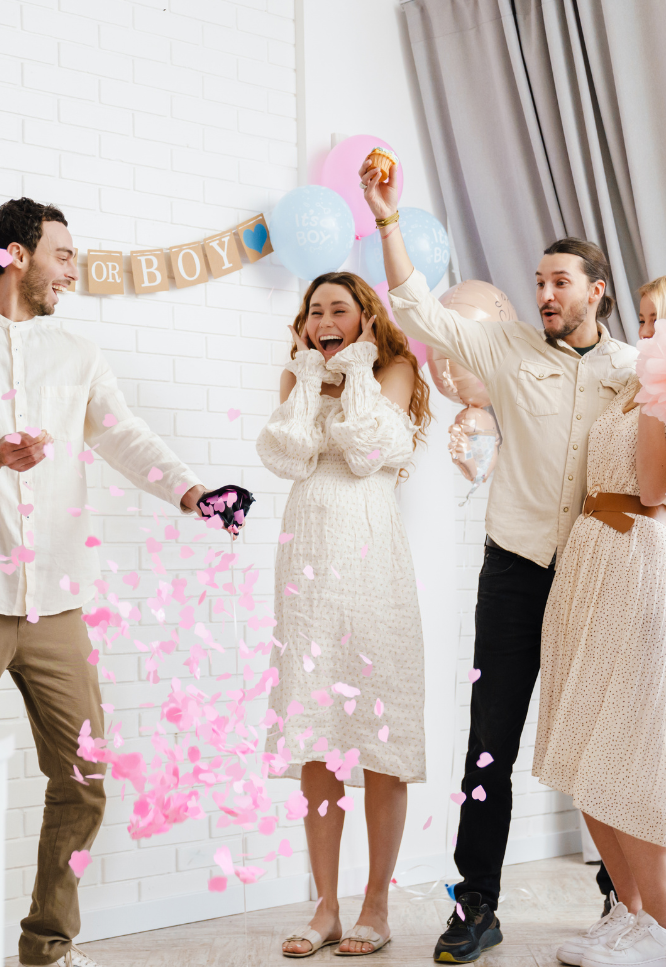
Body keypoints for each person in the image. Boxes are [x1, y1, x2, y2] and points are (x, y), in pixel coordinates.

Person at [0, 198, 227, 967]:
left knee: (85, 777)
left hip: (57, 594)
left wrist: (194, 492)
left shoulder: (77, 351)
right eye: (62, 253)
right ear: (13, 256)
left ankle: (48, 948)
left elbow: (123, 433)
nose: (73, 268)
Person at [359, 156, 641, 964]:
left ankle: (621, 899)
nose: (547, 294)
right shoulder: (507, 350)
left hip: (597, 571)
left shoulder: (631, 371)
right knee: (491, 744)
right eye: (540, 282)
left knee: (601, 741)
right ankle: (475, 904)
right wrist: (386, 220)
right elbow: (418, 306)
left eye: (562, 282)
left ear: (597, 292)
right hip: (515, 570)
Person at [533, 274, 666, 967]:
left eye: (657, 320)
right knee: (579, 747)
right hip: (589, 560)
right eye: (641, 318)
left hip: (634, 563)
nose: (645, 331)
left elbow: (650, 490)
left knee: (629, 753)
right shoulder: (632, 389)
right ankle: (628, 912)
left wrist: (661, 393)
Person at [257, 270, 431, 958]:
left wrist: (351, 371)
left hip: (372, 568)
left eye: (339, 309)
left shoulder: (392, 371)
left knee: (378, 738)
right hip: (308, 576)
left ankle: (376, 904)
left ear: (364, 318)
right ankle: (325, 905)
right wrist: (308, 380)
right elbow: (291, 459)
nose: (325, 319)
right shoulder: (295, 380)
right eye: (314, 310)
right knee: (317, 740)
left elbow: (365, 452)